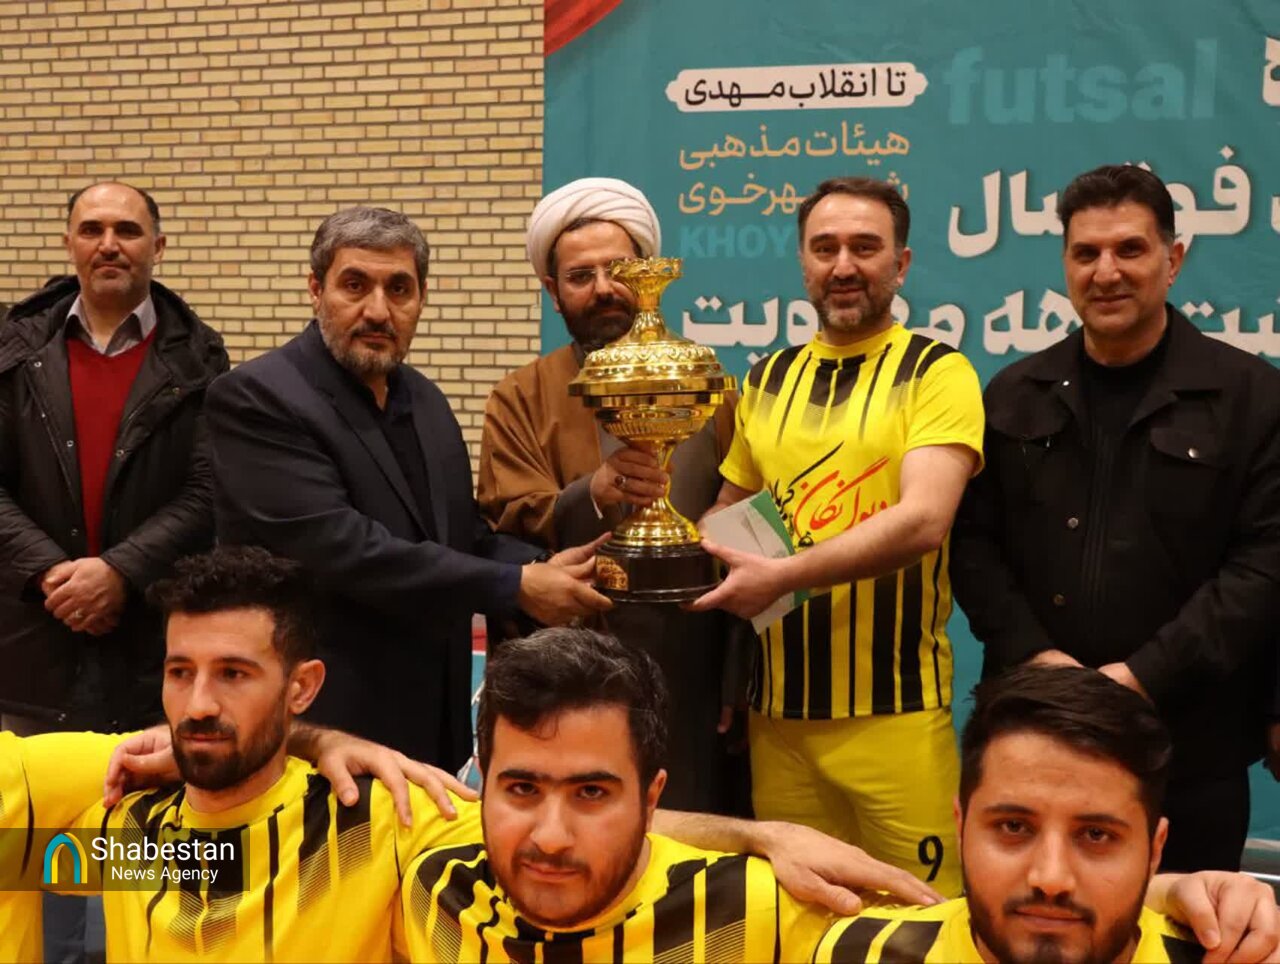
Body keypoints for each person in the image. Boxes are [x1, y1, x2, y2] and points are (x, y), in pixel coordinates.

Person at [36, 546, 980, 963]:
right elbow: (34, 867)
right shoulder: (132, 828)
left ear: (302, 687)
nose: (201, 704)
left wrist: (757, 834)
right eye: (182, 674)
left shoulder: (380, 826)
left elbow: (545, 822)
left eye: (235, 675)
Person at [400, 630, 1279, 963]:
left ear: (652, 794)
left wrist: (1170, 892)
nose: (551, 834)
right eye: (521, 788)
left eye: (594, 791)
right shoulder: (424, 864)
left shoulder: (787, 922)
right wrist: (760, 830)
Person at [950, 164, 1280, 872]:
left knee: (1187, 925)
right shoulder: (1014, 393)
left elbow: (1262, 567)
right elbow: (973, 547)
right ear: (1065, 264)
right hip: (1033, 738)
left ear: (1174, 259)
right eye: (1086, 253)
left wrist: (1139, 677)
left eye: (1130, 249)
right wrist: (1042, 665)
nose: (1107, 272)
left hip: (1187, 747)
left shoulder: (1252, 397)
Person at [204, 206, 613, 769]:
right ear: (315, 290)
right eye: (355, 285)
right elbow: (343, 549)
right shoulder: (257, 397)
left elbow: (460, 535)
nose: (378, 310)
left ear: (421, 298)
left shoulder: (425, 400)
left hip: (431, 722)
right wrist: (516, 585)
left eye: (399, 289)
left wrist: (543, 565)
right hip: (317, 728)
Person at [689, 176, 985, 894]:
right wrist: (677, 535)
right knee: (806, 919)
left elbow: (924, 520)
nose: (843, 265)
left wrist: (785, 576)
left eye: (864, 247)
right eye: (825, 248)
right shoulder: (767, 378)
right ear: (803, 264)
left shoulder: (938, 372)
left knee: (923, 919)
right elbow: (732, 509)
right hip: (776, 718)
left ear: (901, 264)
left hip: (896, 714)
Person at [0, 181, 228, 964]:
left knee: (133, 846)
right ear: (69, 243)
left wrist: (120, 573)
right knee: (30, 849)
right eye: (92, 228)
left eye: (127, 230)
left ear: (156, 247)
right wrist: (53, 575)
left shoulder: (200, 359)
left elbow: (207, 492)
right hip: (31, 643)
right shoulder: (14, 350)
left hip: (145, 646)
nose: (109, 244)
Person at [477, 176, 745, 811]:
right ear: (553, 292)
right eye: (580, 276)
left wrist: (738, 675)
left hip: (693, 668)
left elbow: (744, 531)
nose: (603, 288)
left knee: (692, 834)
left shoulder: (710, 387)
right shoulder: (520, 397)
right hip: (571, 675)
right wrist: (591, 494)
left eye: (618, 270)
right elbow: (506, 526)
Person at [813, 665, 1276, 963]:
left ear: (1155, 850)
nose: (1051, 878)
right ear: (961, 826)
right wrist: (772, 838)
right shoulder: (838, 950)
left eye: (1096, 834)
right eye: (1013, 827)